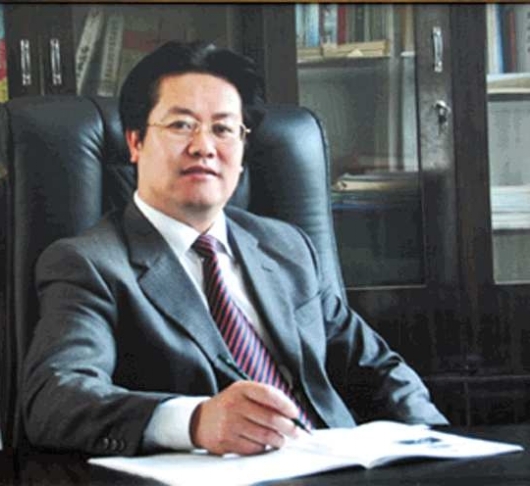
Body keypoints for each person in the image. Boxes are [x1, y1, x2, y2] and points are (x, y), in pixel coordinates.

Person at [22, 41, 447, 457]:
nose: (204, 146)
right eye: (181, 125)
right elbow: (56, 397)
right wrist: (195, 421)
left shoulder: (288, 247)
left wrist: (439, 445)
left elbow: (378, 369)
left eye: (224, 129)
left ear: (242, 152)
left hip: (338, 464)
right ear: (135, 142)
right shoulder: (90, 264)